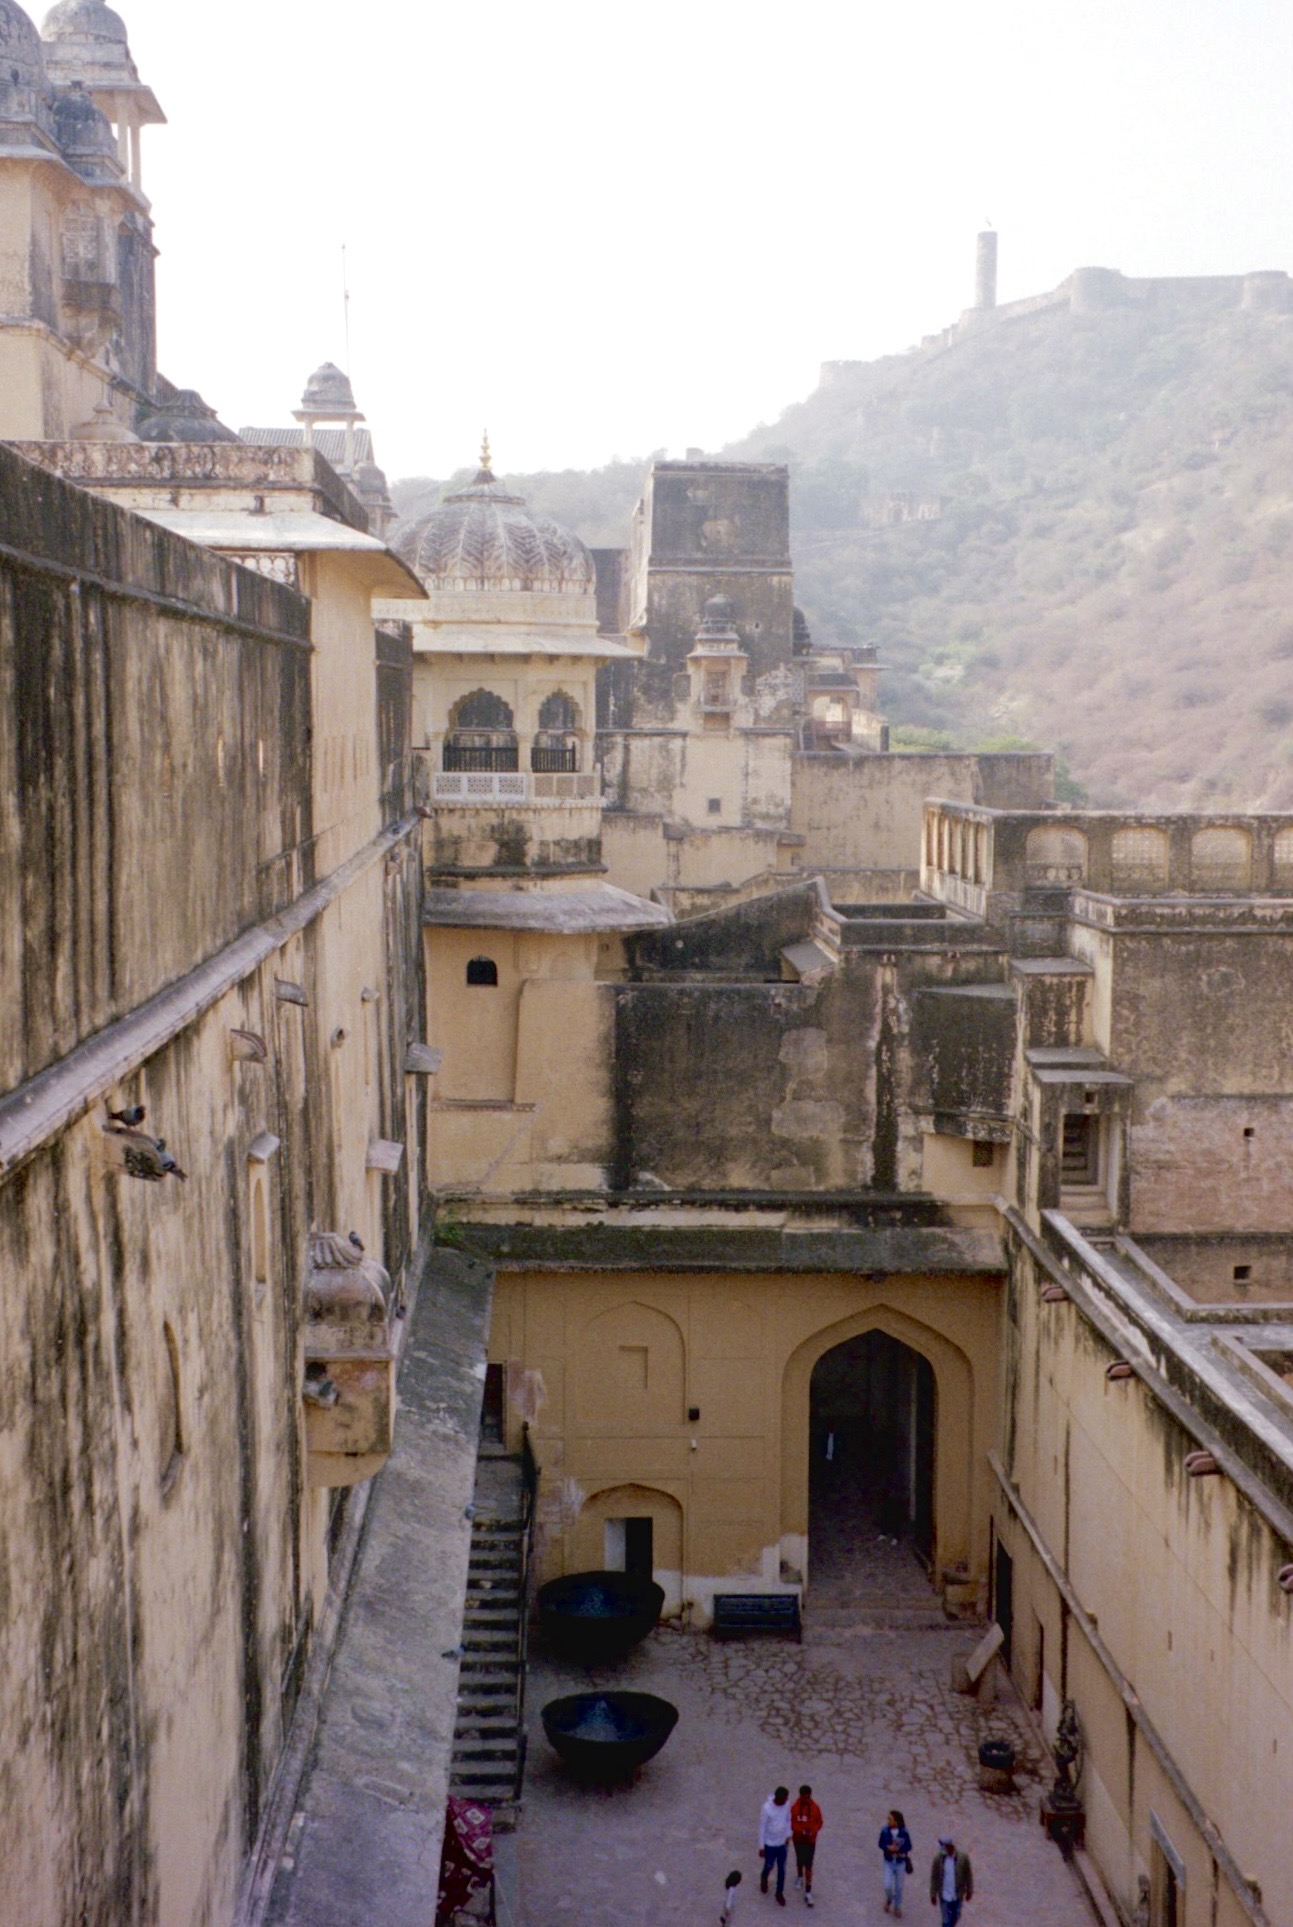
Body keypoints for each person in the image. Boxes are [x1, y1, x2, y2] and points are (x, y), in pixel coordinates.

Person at [929, 1835, 973, 1927]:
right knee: (946, 1920)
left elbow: (968, 1875)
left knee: (956, 1915)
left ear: (949, 1847)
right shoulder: (938, 1859)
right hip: (944, 1894)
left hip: (957, 1894)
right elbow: (934, 1877)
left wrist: (969, 1890)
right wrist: (933, 1894)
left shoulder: (963, 1858)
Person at [758, 1787, 793, 1906]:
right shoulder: (767, 1808)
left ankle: (779, 1893)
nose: (786, 1800)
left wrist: (788, 1834)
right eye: (784, 1799)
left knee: (782, 1870)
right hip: (770, 1844)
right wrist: (761, 1846)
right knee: (769, 1865)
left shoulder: (787, 1804)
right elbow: (762, 1827)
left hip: (782, 1843)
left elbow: (788, 1819)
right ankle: (764, 1878)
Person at [790, 1784, 823, 1907]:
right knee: (799, 1859)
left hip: (810, 1841)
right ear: (800, 1796)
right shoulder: (795, 1807)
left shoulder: (815, 1807)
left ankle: (808, 1890)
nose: (807, 1799)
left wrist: (812, 1832)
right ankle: (799, 1876)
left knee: (808, 1865)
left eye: (809, 1796)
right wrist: (801, 1831)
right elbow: (792, 1822)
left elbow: (819, 1822)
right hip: (798, 1839)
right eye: (805, 1797)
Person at [878, 1808, 913, 1916]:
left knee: (899, 1886)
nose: (888, 1821)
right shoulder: (884, 1830)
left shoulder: (904, 1832)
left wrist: (899, 1849)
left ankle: (897, 1906)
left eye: (890, 1819)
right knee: (887, 1884)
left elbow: (909, 1846)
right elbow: (880, 1844)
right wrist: (888, 1848)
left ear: (896, 1821)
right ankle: (889, 1898)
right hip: (888, 1861)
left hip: (900, 1862)